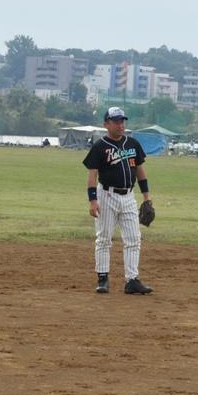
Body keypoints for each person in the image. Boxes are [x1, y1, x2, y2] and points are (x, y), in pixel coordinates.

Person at [83, 107, 153, 295]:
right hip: (106, 195)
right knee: (104, 238)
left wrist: (147, 197)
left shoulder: (132, 144)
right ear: (106, 124)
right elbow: (92, 175)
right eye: (116, 122)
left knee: (133, 239)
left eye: (122, 121)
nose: (120, 125)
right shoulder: (100, 147)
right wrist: (92, 200)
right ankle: (103, 278)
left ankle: (132, 280)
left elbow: (140, 171)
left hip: (129, 196)